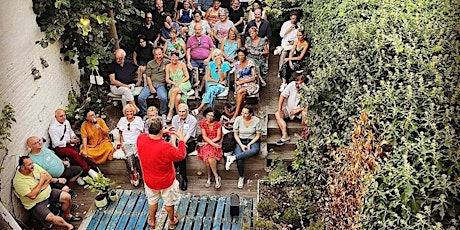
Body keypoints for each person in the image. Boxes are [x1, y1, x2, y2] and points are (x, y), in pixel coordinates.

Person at [137, 117, 185, 229]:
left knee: (152, 201)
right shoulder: (166, 147)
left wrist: (162, 131)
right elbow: (181, 155)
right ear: (161, 129)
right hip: (166, 181)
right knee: (169, 202)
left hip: (149, 180)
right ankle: (172, 221)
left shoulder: (141, 138)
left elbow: (149, 136)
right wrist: (181, 139)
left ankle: (152, 221)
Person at [13, 156, 80, 230]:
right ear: (22, 167)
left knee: (67, 197)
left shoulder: (34, 166)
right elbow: (33, 196)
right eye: (29, 164)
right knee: (50, 218)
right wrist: (42, 181)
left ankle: (67, 215)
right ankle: (69, 226)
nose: (32, 165)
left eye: (32, 163)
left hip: (48, 192)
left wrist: (38, 188)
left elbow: (49, 177)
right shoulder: (18, 181)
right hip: (35, 203)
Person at [49, 109, 98, 178]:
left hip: (69, 143)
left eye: (64, 115)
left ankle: (79, 174)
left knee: (79, 152)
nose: (63, 117)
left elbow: (70, 131)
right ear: (55, 117)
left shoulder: (66, 122)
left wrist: (74, 137)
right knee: (74, 153)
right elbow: (56, 143)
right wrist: (70, 141)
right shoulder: (53, 128)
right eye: (61, 116)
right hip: (60, 147)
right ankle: (89, 170)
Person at [225, 106, 261, 189]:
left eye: (246, 113)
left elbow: (258, 135)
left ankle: (233, 157)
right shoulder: (238, 119)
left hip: (252, 140)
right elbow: (235, 134)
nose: (243, 114)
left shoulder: (256, 120)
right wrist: (241, 145)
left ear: (250, 114)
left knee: (255, 150)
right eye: (242, 112)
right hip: (240, 140)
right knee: (240, 158)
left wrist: (250, 144)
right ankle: (241, 176)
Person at [192, 49, 231, 115]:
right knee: (211, 93)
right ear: (213, 57)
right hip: (211, 84)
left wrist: (219, 67)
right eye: (215, 56)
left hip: (220, 86)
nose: (217, 57)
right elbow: (208, 78)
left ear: (221, 56)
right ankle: (210, 113)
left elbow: (222, 79)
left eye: (218, 55)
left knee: (211, 90)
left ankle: (201, 109)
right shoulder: (210, 64)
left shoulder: (225, 65)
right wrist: (218, 81)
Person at [170, 103, 198, 191]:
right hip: (177, 141)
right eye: (180, 111)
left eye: (183, 111)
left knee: (181, 155)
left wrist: (180, 145)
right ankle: (179, 177)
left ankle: (183, 178)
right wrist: (174, 144)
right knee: (174, 153)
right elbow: (173, 133)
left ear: (187, 111)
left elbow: (188, 135)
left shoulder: (193, 120)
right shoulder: (175, 118)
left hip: (188, 141)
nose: (181, 114)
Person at [117, 104, 144, 186]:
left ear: (134, 112)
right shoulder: (122, 120)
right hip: (126, 142)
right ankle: (135, 172)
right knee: (129, 154)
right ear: (125, 112)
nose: (129, 113)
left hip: (136, 141)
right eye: (127, 111)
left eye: (131, 111)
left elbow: (142, 133)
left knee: (133, 153)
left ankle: (132, 173)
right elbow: (120, 133)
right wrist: (121, 143)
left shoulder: (138, 119)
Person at [138, 47, 170, 118]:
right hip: (150, 84)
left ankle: (163, 113)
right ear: (154, 55)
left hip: (161, 84)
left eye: (159, 54)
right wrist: (151, 87)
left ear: (163, 54)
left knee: (163, 97)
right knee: (141, 97)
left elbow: (176, 63)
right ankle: (145, 114)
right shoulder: (150, 64)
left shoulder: (167, 62)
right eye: (156, 55)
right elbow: (148, 76)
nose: (158, 56)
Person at [275, 75, 306, 145]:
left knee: (305, 114)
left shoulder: (308, 89)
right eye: (296, 83)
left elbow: (309, 105)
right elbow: (282, 96)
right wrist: (280, 109)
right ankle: (285, 136)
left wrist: (299, 110)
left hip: (301, 111)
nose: (297, 86)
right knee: (277, 114)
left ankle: (305, 135)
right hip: (289, 110)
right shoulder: (292, 84)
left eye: (299, 84)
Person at [229, 47, 258, 123]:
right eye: (239, 55)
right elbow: (238, 77)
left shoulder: (250, 63)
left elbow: (254, 77)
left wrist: (242, 82)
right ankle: (240, 113)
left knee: (240, 92)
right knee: (240, 93)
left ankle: (235, 115)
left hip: (250, 83)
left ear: (245, 55)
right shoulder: (237, 64)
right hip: (241, 83)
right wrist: (239, 82)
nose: (240, 57)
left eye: (242, 55)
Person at [197, 107, 223, 188]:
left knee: (210, 156)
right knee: (208, 156)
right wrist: (211, 144)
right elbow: (204, 136)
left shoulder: (218, 124)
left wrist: (212, 144)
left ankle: (211, 177)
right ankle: (215, 177)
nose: (210, 117)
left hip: (215, 141)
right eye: (208, 115)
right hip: (206, 142)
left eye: (212, 116)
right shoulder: (202, 122)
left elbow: (218, 137)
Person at [186, 23, 215, 89]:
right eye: (196, 29)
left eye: (199, 29)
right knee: (191, 69)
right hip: (194, 60)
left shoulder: (207, 38)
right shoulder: (190, 39)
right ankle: (194, 87)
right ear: (194, 30)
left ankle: (203, 88)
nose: (197, 31)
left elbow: (212, 49)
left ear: (202, 30)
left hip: (206, 59)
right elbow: (188, 51)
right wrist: (188, 62)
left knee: (208, 70)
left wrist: (208, 59)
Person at [165, 51, 193, 122]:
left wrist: (179, 83)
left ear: (178, 57)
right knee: (178, 98)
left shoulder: (182, 64)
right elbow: (167, 79)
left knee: (174, 91)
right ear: (170, 57)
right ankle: (179, 115)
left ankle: (170, 111)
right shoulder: (167, 66)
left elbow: (187, 76)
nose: (174, 58)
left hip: (184, 83)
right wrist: (174, 83)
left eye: (176, 57)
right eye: (173, 57)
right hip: (175, 84)